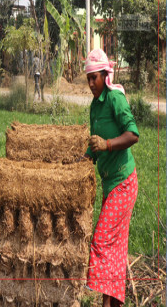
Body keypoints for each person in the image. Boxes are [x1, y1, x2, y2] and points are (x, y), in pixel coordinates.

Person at [83, 48, 139, 307]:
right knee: (115, 249)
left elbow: (133, 134)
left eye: (94, 78)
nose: (90, 83)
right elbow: (95, 142)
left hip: (123, 182)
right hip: (110, 183)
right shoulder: (95, 105)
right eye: (88, 78)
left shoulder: (115, 98)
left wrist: (107, 145)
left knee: (101, 242)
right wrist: (84, 159)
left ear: (105, 76)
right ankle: (112, 304)